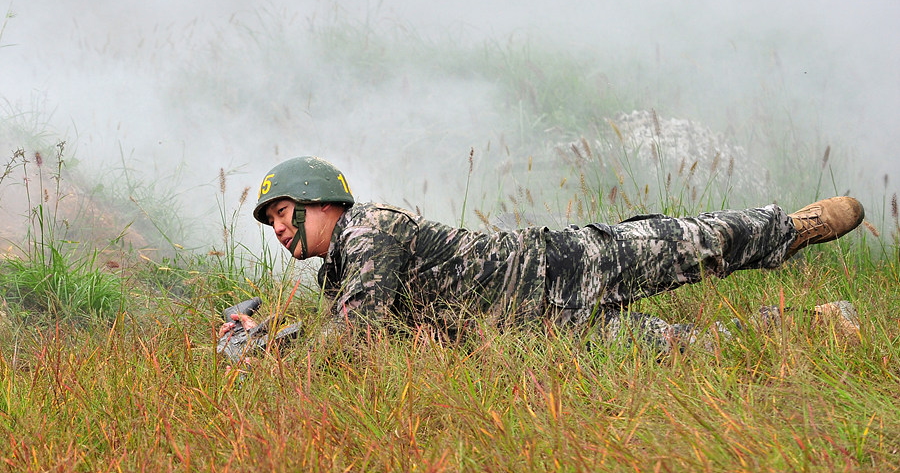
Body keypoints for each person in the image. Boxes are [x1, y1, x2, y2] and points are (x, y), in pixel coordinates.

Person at [218, 156, 865, 359]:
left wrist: (267, 353)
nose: (278, 227)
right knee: (687, 352)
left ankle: (797, 226)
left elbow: (353, 334)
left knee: (698, 242)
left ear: (326, 202)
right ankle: (820, 322)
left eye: (283, 212)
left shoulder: (370, 230)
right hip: (545, 333)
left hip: (564, 264)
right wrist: (268, 341)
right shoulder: (345, 275)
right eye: (272, 219)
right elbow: (346, 333)